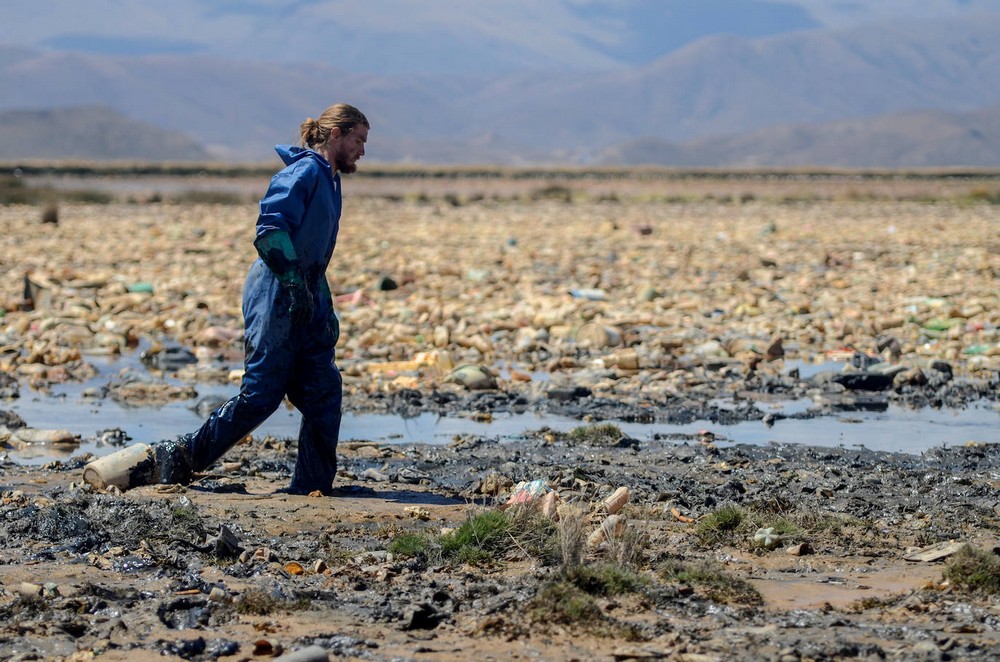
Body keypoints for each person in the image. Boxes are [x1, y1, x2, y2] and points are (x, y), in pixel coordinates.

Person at [153, 103, 370, 495]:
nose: (362, 150)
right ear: (336, 135)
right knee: (261, 394)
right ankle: (184, 454)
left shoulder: (331, 180)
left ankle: (312, 486)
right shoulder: (304, 172)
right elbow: (270, 231)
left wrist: (324, 303)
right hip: (274, 295)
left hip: (305, 295)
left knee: (324, 391)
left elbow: (315, 260)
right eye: (358, 140)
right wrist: (291, 284)